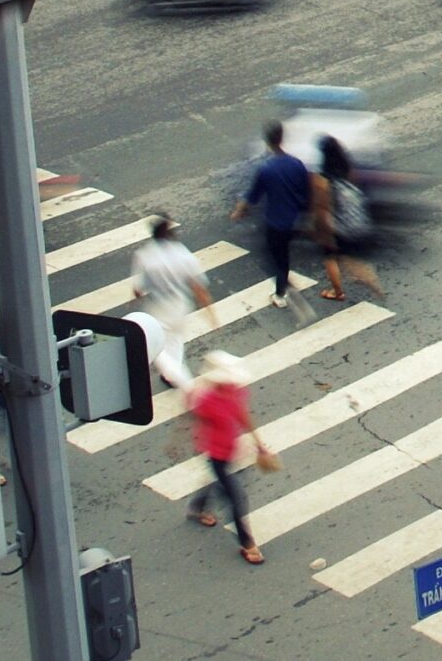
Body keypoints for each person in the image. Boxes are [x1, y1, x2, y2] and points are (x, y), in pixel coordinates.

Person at [185, 352, 269, 565]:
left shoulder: (236, 391)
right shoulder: (205, 400)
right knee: (236, 497)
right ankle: (247, 543)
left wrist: (258, 443)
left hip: (232, 449)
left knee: (222, 484)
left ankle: (197, 506)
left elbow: (242, 415)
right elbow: (192, 419)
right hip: (215, 453)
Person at [230, 122, 318, 310]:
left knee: (271, 258)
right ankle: (283, 286)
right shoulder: (296, 163)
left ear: (267, 142)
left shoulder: (267, 169)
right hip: (296, 220)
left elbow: (252, 196)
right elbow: (307, 191)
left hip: (276, 223)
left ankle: (282, 293)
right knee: (283, 257)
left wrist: (239, 211)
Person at [129, 214, 215, 390]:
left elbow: (138, 288)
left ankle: (184, 384)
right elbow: (198, 287)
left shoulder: (145, 256)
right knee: (175, 341)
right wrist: (210, 312)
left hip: (158, 308)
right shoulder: (183, 254)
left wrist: (135, 300)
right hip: (179, 306)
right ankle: (170, 376)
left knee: (156, 346)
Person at [312, 136, 384, 303]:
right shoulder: (347, 168)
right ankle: (367, 277)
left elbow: (323, 208)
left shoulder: (322, 179)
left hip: (339, 224)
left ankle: (338, 292)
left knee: (330, 257)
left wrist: (323, 232)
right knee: (349, 257)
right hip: (356, 219)